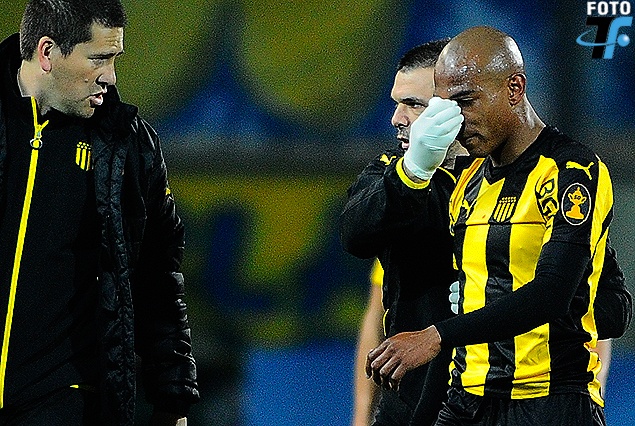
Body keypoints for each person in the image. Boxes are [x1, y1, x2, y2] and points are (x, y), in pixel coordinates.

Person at [365, 26, 631, 426]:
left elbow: (565, 296)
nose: (458, 119)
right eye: (446, 106)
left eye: (466, 101)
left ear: (514, 88)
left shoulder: (571, 171)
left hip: (550, 402)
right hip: (466, 400)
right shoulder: (467, 181)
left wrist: (436, 335)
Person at [0, 0, 199, 424]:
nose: (111, 76)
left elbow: (158, 280)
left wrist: (173, 400)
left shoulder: (130, 148)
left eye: (114, 58)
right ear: (47, 53)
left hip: (64, 401)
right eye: (99, 59)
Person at [342, 39, 468, 426]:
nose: (397, 117)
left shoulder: (521, 182)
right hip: (409, 409)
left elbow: (590, 304)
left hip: (495, 403)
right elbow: (355, 233)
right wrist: (414, 171)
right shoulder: (390, 174)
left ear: (456, 107)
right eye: (397, 103)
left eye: (413, 104)